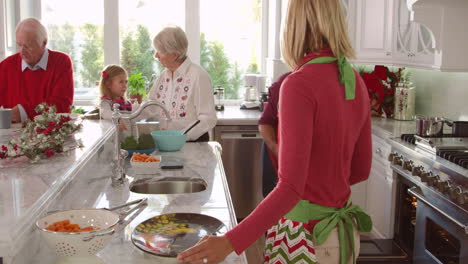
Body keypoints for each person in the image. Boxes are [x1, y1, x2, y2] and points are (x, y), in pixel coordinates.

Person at [177, 0, 373, 264]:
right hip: (343, 235)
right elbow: (361, 170)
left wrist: (229, 243)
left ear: (294, 25)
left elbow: (291, 188)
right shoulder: (354, 79)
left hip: (306, 238)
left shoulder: (299, 83)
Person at [144, 26, 217, 142]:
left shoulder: (198, 76)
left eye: (160, 52)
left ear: (174, 55)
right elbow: (149, 106)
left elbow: (208, 118)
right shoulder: (163, 77)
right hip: (165, 143)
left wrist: (181, 137)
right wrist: (126, 112)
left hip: (192, 145)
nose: (156, 56)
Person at [0, 18, 74, 122]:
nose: (22, 51)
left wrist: (24, 112)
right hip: (12, 136)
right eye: (19, 45)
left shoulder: (61, 62)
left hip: (50, 134)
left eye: (28, 46)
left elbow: (62, 105)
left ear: (44, 43)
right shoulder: (5, 66)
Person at [259, 72, 291, 197]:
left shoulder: (347, 81)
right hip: (276, 154)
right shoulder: (286, 81)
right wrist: (277, 150)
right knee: (273, 195)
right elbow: (265, 122)